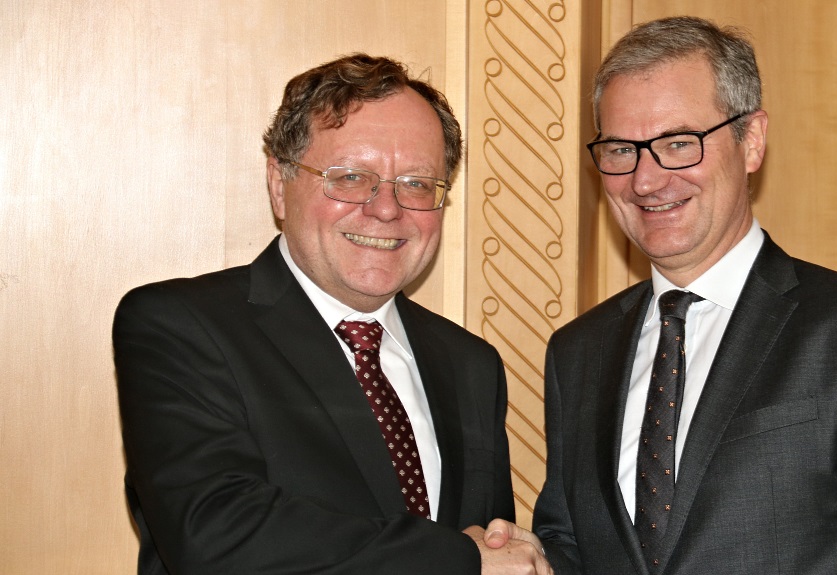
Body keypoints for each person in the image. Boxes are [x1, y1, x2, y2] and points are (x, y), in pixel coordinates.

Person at [500, 15, 837, 574]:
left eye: (679, 143)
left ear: (751, 142)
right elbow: (576, 546)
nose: (646, 180)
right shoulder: (578, 352)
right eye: (622, 150)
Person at [114, 53, 550, 574]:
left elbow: (490, 546)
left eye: (416, 183)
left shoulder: (470, 364)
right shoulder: (179, 326)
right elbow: (216, 534)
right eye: (350, 177)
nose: (386, 209)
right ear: (279, 184)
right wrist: (457, 561)